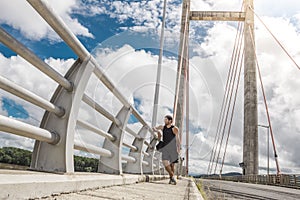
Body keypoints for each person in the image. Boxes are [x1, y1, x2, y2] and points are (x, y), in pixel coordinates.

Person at [153, 115, 180, 185]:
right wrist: (157, 131)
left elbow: (177, 139)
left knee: (172, 165)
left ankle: (171, 179)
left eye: (166, 120)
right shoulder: (163, 127)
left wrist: (178, 148)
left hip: (173, 148)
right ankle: (172, 176)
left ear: (170, 121)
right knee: (165, 162)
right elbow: (155, 128)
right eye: (164, 119)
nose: (164, 121)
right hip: (165, 147)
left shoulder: (174, 128)